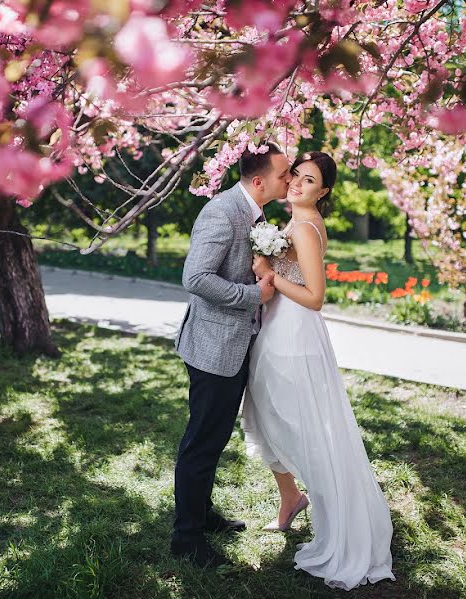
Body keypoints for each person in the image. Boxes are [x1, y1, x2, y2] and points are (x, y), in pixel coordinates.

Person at [243, 151, 396, 590]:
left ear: (322, 191)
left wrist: (269, 273)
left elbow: (314, 296)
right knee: (269, 416)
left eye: (308, 181)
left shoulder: (306, 227)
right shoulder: (293, 222)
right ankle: (291, 499)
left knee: (299, 425)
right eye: (295, 175)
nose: (296, 184)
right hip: (277, 330)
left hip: (294, 336)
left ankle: (337, 517)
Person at [171, 143, 291, 568]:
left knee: (215, 436)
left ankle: (202, 514)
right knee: (202, 441)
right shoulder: (222, 212)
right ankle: (186, 539)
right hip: (212, 347)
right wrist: (252, 295)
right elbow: (196, 277)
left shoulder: (255, 213)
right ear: (259, 181)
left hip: (236, 344)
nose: (290, 179)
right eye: (284, 174)